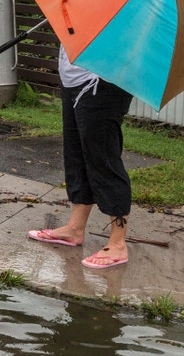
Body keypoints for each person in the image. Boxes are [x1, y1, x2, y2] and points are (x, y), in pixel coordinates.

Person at [27, 46, 135, 270]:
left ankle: (117, 243)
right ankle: (75, 229)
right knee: (76, 155)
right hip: (73, 79)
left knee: (103, 158)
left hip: (103, 81)